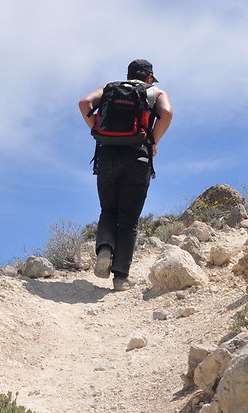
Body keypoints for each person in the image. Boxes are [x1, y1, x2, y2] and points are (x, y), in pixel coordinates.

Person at [78, 59, 173, 290]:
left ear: (128, 74)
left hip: (107, 154)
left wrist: (95, 129)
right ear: (149, 77)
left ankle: (104, 250)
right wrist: (153, 141)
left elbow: (83, 103)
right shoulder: (155, 92)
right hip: (138, 157)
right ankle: (120, 277)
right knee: (129, 218)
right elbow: (167, 113)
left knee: (108, 210)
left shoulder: (110, 87)